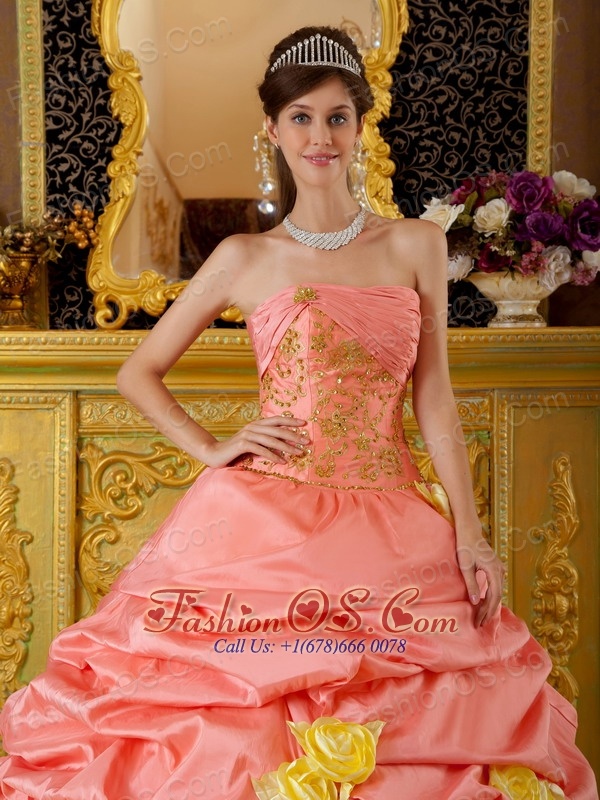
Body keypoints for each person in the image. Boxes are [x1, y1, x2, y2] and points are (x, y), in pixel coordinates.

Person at [0, 24, 597, 800]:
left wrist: (471, 535)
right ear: (273, 129)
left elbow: (434, 398)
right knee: (245, 714)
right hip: (267, 523)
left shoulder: (416, 244)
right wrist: (210, 446)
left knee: (425, 704)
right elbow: (138, 372)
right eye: (302, 118)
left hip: (390, 515)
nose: (321, 137)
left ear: (359, 125)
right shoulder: (244, 258)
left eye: (337, 116)